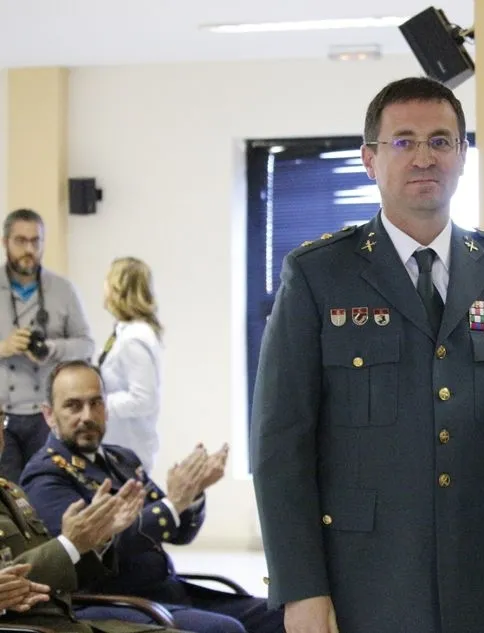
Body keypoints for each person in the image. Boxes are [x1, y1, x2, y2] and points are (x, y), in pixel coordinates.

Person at [250, 76, 484, 633]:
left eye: (441, 141)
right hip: (363, 574)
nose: (424, 157)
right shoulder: (318, 275)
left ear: (462, 157)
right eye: (403, 141)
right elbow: (281, 443)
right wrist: (300, 586)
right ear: (369, 160)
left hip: (483, 572)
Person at [20, 360, 283, 633]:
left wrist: (192, 494)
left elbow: (180, 534)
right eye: (73, 406)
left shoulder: (121, 459)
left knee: (283, 616)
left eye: (96, 403)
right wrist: (173, 503)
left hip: (166, 594)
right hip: (112, 603)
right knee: (224, 629)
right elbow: (92, 557)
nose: (87, 415)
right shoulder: (46, 475)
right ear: (49, 415)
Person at [0, 409, 190, 633]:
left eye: (0, 420)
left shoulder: (11, 491)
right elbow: (14, 581)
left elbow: (54, 576)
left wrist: (96, 539)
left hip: (70, 623)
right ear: (49, 414)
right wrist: (69, 544)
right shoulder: (45, 473)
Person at [0, 208, 94, 480]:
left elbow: (87, 346)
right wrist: (4, 347)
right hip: (3, 414)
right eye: (21, 241)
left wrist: (53, 350)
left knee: (48, 488)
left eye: (35, 241)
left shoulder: (63, 289)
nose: (29, 249)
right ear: (5, 242)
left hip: (47, 416)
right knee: (8, 496)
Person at [98, 256, 164, 472]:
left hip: (127, 454)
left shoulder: (134, 338)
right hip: (117, 448)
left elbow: (143, 399)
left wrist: (99, 405)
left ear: (119, 288)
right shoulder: (123, 332)